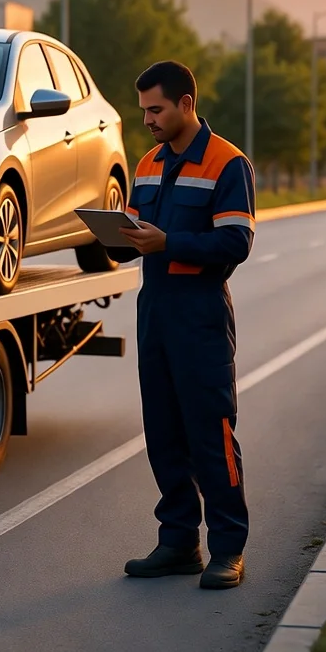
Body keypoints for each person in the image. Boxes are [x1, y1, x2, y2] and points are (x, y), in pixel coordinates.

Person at [109, 60, 255, 590]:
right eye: (143, 108)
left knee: (210, 435)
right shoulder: (147, 162)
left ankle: (228, 550)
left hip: (201, 316)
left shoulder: (227, 163)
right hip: (156, 313)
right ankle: (177, 542)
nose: (146, 118)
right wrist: (109, 236)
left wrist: (168, 242)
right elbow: (133, 229)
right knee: (164, 433)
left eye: (156, 108)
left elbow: (236, 243)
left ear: (185, 104)